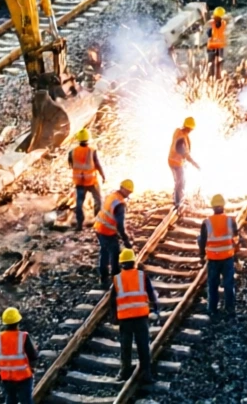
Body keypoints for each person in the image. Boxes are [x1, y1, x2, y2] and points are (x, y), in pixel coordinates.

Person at [112, 248, 162, 382]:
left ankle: (124, 372)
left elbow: (113, 301)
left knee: (125, 347)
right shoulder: (142, 276)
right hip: (140, 317)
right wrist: (156, 309)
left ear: (121, 263)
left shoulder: (117, 279)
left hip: (125, 319)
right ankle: (146, 374)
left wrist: (114, 318)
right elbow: (151, 294)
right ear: (134, 262)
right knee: (143, 346)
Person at [198, 194, 238, 317]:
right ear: (223, 206)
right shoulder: (231, 221)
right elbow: (236, 240)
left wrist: (201, 256)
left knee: (213, 285)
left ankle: (212, 309)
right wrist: (236, 257)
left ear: (213, 207)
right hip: (227, 258)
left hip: (213, 259)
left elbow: (202, 241)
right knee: (228, 284)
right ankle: (230, 308)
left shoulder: (206, 222)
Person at [0, 307, 39, 404]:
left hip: (6, 378)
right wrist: (32, 368)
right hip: (23, 377)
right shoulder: (23, 336)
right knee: (26, 400)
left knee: (11, 398)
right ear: (18, 321)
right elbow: (33, 356)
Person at [95, 180, 136, 286]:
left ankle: (103, 278)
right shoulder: (120, 204)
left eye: (129, 192)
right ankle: (115, 277)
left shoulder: (112, 195)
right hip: (107, 231)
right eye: (128, 191)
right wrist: (125, 239)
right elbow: (120, 225)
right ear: (122, 188)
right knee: (114, 253)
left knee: (104, 252)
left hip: (99, 227)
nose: (128, 194)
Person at [67, 129, 108, 230]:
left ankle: (79, 225)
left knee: (79, 203)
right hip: (91, 181)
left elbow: (71, 164)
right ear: (88, 138)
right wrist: (103, 175)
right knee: (98, 201)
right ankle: (97, 222)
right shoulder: (92, 151)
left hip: (80, 182)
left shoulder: (72, 152)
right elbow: (97, 164)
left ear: (78, 139)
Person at [168, 117, 199, 208]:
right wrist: (194, 163)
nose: (191, 131)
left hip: (174, 161)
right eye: (190, 129)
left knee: (179, 181)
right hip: (176, 162)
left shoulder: (179, 132)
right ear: (187, 128)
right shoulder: (181, 137)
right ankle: (178, 203)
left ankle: (177, 200)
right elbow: (183, 152)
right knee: (180, 182)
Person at [206, 7, 229, 79]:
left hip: (212, 45)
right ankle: (218, 76)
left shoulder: (211, 23)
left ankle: (211, 76)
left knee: (211, 62)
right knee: (219, 61)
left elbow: (208, 32)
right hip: (220, 45)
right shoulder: (224, 23)